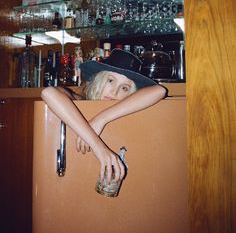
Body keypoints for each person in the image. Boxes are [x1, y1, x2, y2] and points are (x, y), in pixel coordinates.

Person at [41, 48, 168, 184]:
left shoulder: (127, 108)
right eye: (110, 81)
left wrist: (100, 119)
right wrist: (99, 148)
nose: (114, 92)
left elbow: (159, 91)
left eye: (124, 88)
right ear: (99, 79)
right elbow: (48, 93)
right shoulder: (79, 99)